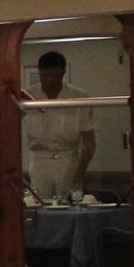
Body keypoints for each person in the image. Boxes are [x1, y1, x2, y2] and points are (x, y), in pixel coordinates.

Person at [24, 51, 96, 201]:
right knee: (38, 203)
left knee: (70, 202)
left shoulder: (79, 97)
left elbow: (89, 142)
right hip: (39, 159)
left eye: (53, 76)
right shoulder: (28, 97)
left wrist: (80, 173)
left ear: (62, 73)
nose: (49, 80)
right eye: (45, 76)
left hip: (68, 158)